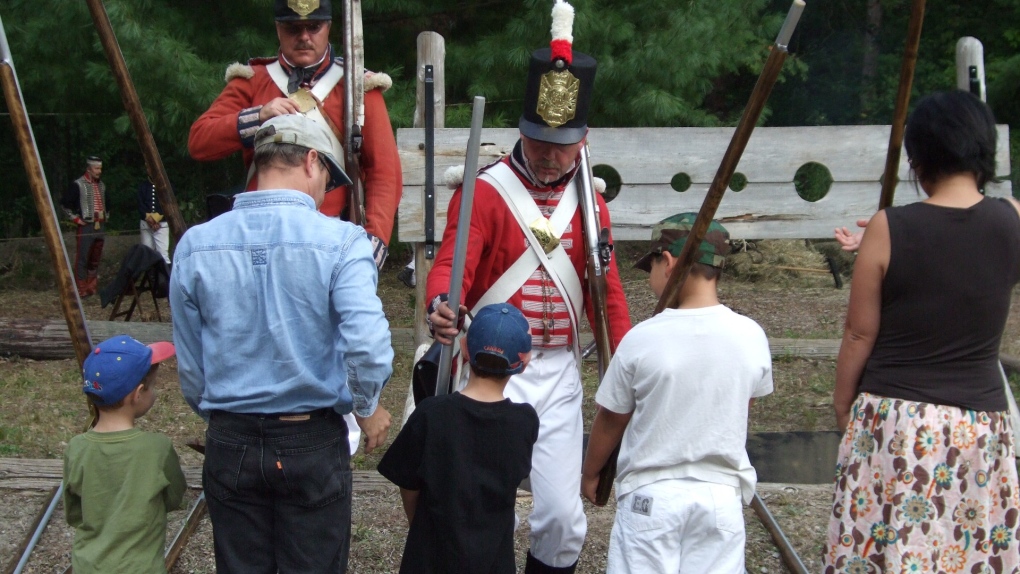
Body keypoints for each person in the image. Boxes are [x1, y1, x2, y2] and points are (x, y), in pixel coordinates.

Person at [427, 3, 631, 571]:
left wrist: (628, 358)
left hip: (558, 370)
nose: (547, 154)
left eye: (562, 143)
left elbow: (607, 293)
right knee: (481, 506)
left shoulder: (591, 205)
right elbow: (451, 266)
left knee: (563, 520)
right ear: (522, 128)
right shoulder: (487, 191)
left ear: (583, 137)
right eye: (539, 139)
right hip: (491, 367)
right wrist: (442, 305)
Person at [170, 113, 393, 573]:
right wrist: (366, 406)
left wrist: (224, 415)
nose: (325, 192)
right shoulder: (345, 241)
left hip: (230, 437)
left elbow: (192, 369)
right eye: (329, 180)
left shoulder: (195, 244)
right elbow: (367, 346)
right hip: (309, 437)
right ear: (313, 161)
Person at [826, 91, 1020, 572]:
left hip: (896, 422)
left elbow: (858, 334)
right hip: (981, 428)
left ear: (917, 157)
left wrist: (842, 401)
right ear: (982, 150)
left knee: (886, 552)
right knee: (968, 551)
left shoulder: (890, 227)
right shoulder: (1013, 218)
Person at [581, 214, 774, 573]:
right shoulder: (751, 336)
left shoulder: (643, 338)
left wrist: (590, 472)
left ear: (667, 262)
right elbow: (743, 403)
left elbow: (612, 418)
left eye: (650, 265)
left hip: (652, 496)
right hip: (721, 498)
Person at [188, 0, 401, 270]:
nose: (304, 37)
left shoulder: (359, 87)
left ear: (328, 27)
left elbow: (385, 172)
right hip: (258, 240)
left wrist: (373, 242)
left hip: (328, 239)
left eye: (313, 27)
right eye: (293, 28)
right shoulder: (253, 80)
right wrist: (257, 116)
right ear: (278, 29)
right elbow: (199, 141)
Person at [379, 302, 540, 573]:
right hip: (493, 562)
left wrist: (417, 523)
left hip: (429, 559)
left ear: (464, 349)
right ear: (523, 364)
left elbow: (407, 482)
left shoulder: (432, 414)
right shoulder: (524, 422)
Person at [63, 335, 185, 574]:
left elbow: (75, 513)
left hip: (87, 566)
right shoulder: (157, 448)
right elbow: (174, 498)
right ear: (138, 393)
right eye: (153, 386)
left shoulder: (76, 448)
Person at [61, 155, 107, 297]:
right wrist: (76, 219)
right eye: (96, 168)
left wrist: (106, 216)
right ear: (89, 168)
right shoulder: (78, 185)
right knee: (82, 257)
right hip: (86, 225)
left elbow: (108, 204)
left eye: (100, 168)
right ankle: (80, 288)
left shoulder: (102, 185)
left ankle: (91, 287)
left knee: (95, 257)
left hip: (100, 224)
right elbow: (64, 204)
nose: (99, 171)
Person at [137, 178, 171, 265]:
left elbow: (168, 202)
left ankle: (165, 277)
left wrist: (156, 218)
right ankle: (150, 277)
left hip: (161, 224)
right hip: (146, 223)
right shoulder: (143, 186)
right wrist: (148, 218)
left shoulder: (165, 185)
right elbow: (140, 204)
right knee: (147, 254)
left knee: (163, 254)